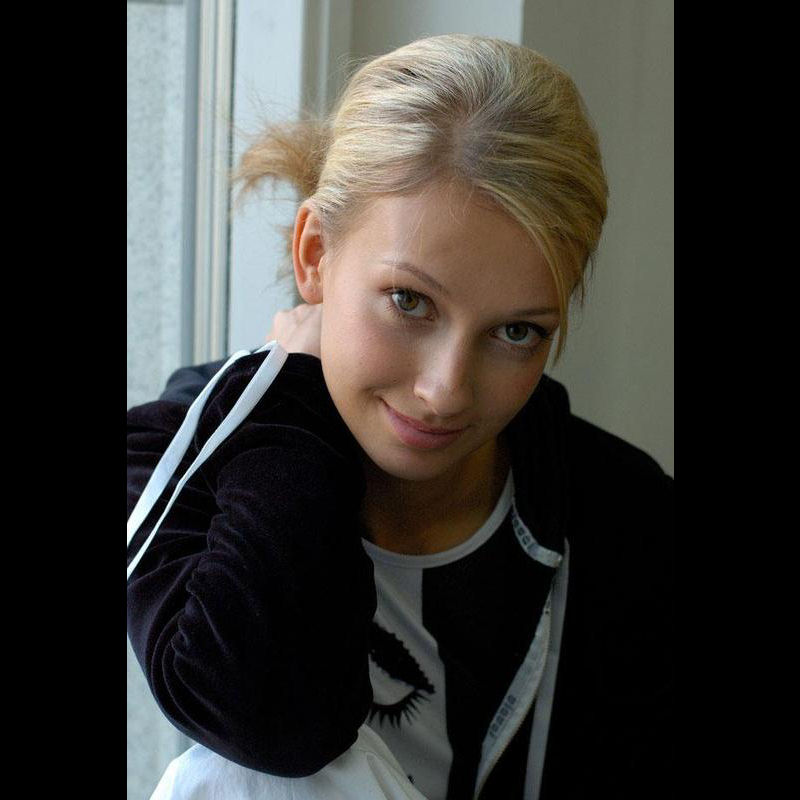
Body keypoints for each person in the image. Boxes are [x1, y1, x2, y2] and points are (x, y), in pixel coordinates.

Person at [127, 34, 674, 800]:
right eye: (409, 301)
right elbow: (267, 721)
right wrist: (286, 402)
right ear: (314, 254)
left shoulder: (625, 514)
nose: (446, 391)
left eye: (517, 332)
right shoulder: (180, 452)